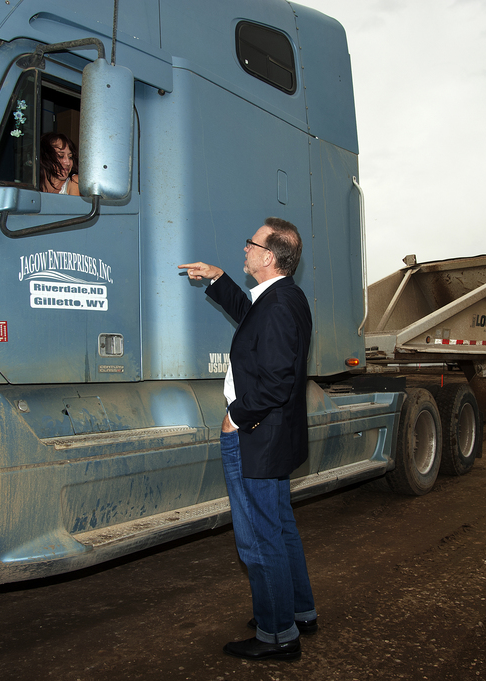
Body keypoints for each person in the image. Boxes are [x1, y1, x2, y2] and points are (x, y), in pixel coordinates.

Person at [178, 218, 317, 662]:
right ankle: (298, 611)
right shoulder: (282, 298)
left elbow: (275, 382)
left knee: (259, 539)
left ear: (268, 256)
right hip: (276, 436)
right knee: (279, 527)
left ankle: (278, 635)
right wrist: (218, 278)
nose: (244, 250)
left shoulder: (277, 305)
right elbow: (254, 324)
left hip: (256, 437)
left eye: (250, 244)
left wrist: (235, 418)